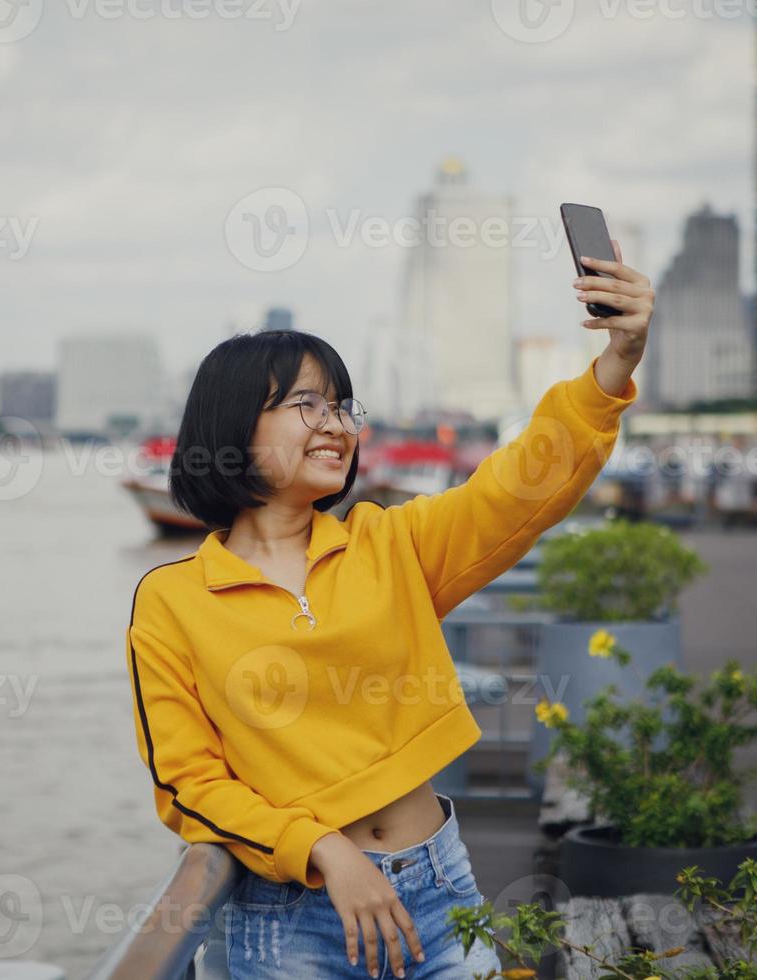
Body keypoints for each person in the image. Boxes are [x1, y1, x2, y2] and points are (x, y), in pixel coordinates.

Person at [124, 246, 651, 977]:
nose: (337, 423)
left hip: (437, 892)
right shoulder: (171, 601)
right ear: (233, 425)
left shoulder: (388, 543)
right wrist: (325, 850)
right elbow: (188, 784)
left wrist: (616, 363)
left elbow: (517, 490)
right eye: (306, 403)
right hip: (290, 924)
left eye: (342, 405)